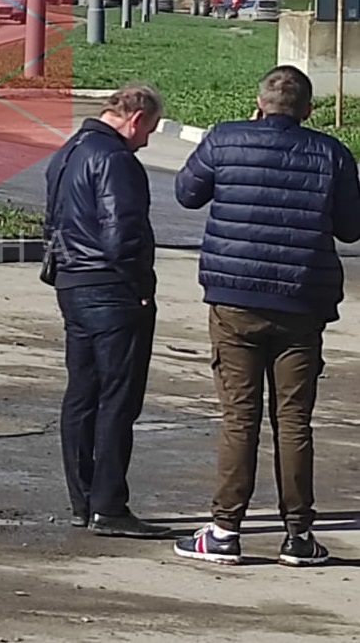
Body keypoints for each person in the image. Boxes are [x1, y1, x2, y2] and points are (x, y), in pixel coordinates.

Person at [173, 65, 360, 567]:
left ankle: (225, 531)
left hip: (234, 302)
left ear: (257, 105)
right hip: (302, 304)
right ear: (307, 112)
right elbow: (350, 229)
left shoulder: (225, 140)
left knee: (240, 417)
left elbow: (187, 193)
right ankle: (299, 536)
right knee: (294, 421)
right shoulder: (332, 154)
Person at [44, 83, 172, 538]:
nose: (148, 141)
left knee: (82, 394)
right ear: (135, 118)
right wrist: (142, 287)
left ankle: (83, 501)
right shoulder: (117, 161)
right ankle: (110, 505)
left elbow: (53, 223)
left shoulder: (68, 151)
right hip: (113, 291)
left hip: (72, 284)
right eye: (150, 130)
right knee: (118, 400)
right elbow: (124, 236)